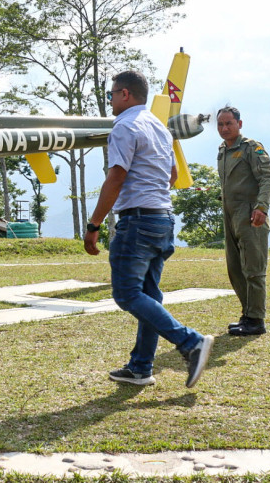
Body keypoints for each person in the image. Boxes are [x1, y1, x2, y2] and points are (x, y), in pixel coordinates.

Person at [84, 71, 213, 388]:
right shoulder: (159, 126)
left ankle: (191, 342)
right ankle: (141, 367)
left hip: (138, 222)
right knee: (149, 295)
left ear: (125, 94)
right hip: (163, 219)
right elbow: (172, 175)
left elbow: (116, 177)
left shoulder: (124, 125)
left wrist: (94, 224)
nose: (110, 100)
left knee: (127, 294)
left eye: (112, 94)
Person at [217, 106, 270, 336]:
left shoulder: (251, 147)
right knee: (235, 269)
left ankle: (256, 320)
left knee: (254, 270)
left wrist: (262, 207)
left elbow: (267, 178)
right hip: (230, 216)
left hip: (251, 215)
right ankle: (247, 315)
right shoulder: (222, 150)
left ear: (239, 124)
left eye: (229, 123)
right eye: (220, 124)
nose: (224, 128)